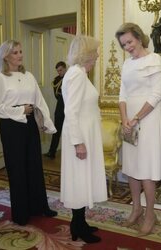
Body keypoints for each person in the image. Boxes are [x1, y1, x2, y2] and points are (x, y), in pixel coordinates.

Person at [0, 40, 58, 226]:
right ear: (5, 56)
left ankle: (40, 207)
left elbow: (39, 101)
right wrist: (20, 110)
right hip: (11, 126)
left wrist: (47, 123)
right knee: (17, 169)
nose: (20, 55)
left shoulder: (28, 75)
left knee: (34, 165)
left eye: (21, 51)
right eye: (15, 52)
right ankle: (21, 213)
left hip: (30, 125)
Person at [115, 23, 161, 236]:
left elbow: (156, 95)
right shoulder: (127, 64)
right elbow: (122, 95)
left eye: (129, 41)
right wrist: (125, 119)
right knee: (132, 166)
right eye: (123, 44)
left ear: (139, 37)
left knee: (146, 168)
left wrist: (136, 118)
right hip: (129, 120)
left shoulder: (154, 59)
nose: (127, 47)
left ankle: (149, 214)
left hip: (147, 119)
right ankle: (136, 208)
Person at [60, 34, 107, 243]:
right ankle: (77, 225)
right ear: (86, 54)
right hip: (79, 136)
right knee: (79, 179)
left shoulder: (78, 73)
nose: (97, 55)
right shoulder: (77, 75)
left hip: (84, 134)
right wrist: (78, 142)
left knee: (82, 177)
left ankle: (80, 222)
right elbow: (71, 112)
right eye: (95, 52)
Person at [44, 61, 67, 159]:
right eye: (58, 71)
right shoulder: (56, 80)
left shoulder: (71, 78)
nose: (59, 72)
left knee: (70, 132)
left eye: (61, 70)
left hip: (71, 108)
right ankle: (52, 151)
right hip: (60, 107)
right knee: (56, 131)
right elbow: (57, 96)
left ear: (65, 68)